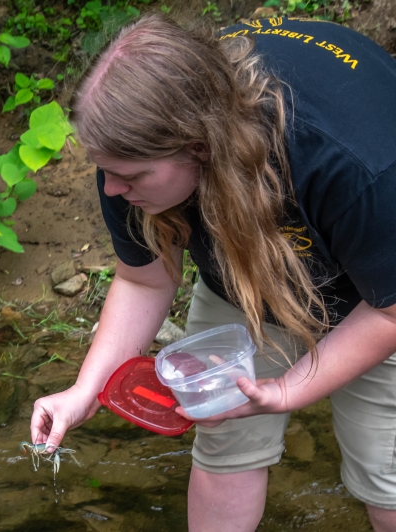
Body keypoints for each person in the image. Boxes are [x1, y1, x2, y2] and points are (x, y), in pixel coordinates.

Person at [30, 14, 396, 532]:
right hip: (245, 275)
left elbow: (389, 315)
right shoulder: (126, 159)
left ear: (198, 146)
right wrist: (83, 392)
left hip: (377, 294)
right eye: (105, 170)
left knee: (385, 468)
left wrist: (290, 388)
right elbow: (144, 279)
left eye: (129, 176)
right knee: (225, 436)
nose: (111, 190)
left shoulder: (353, 163)